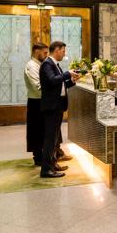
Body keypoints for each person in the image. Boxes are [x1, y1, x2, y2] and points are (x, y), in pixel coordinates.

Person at [39, 41, 80, 178]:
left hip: (57, 106)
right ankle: (46, 170)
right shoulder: (47, 64)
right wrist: (68, 74)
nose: (64, 54)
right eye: (63, 51)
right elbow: (52, 81)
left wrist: (72, 81)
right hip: (51, 107)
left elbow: (60, 85)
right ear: (56, 50)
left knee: (55, 138)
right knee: (50, 139)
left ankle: (53, 164)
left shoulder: (55, 65)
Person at [23, 42, 48, 166]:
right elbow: (38, 86)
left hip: (41, 100)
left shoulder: (39, 65)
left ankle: (44, 155)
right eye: (44, 53)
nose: (46, 55)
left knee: (42, 130)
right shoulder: (32, 66)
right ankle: (38, 158)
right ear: (37, 52)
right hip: (36, 102)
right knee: (36, 131)